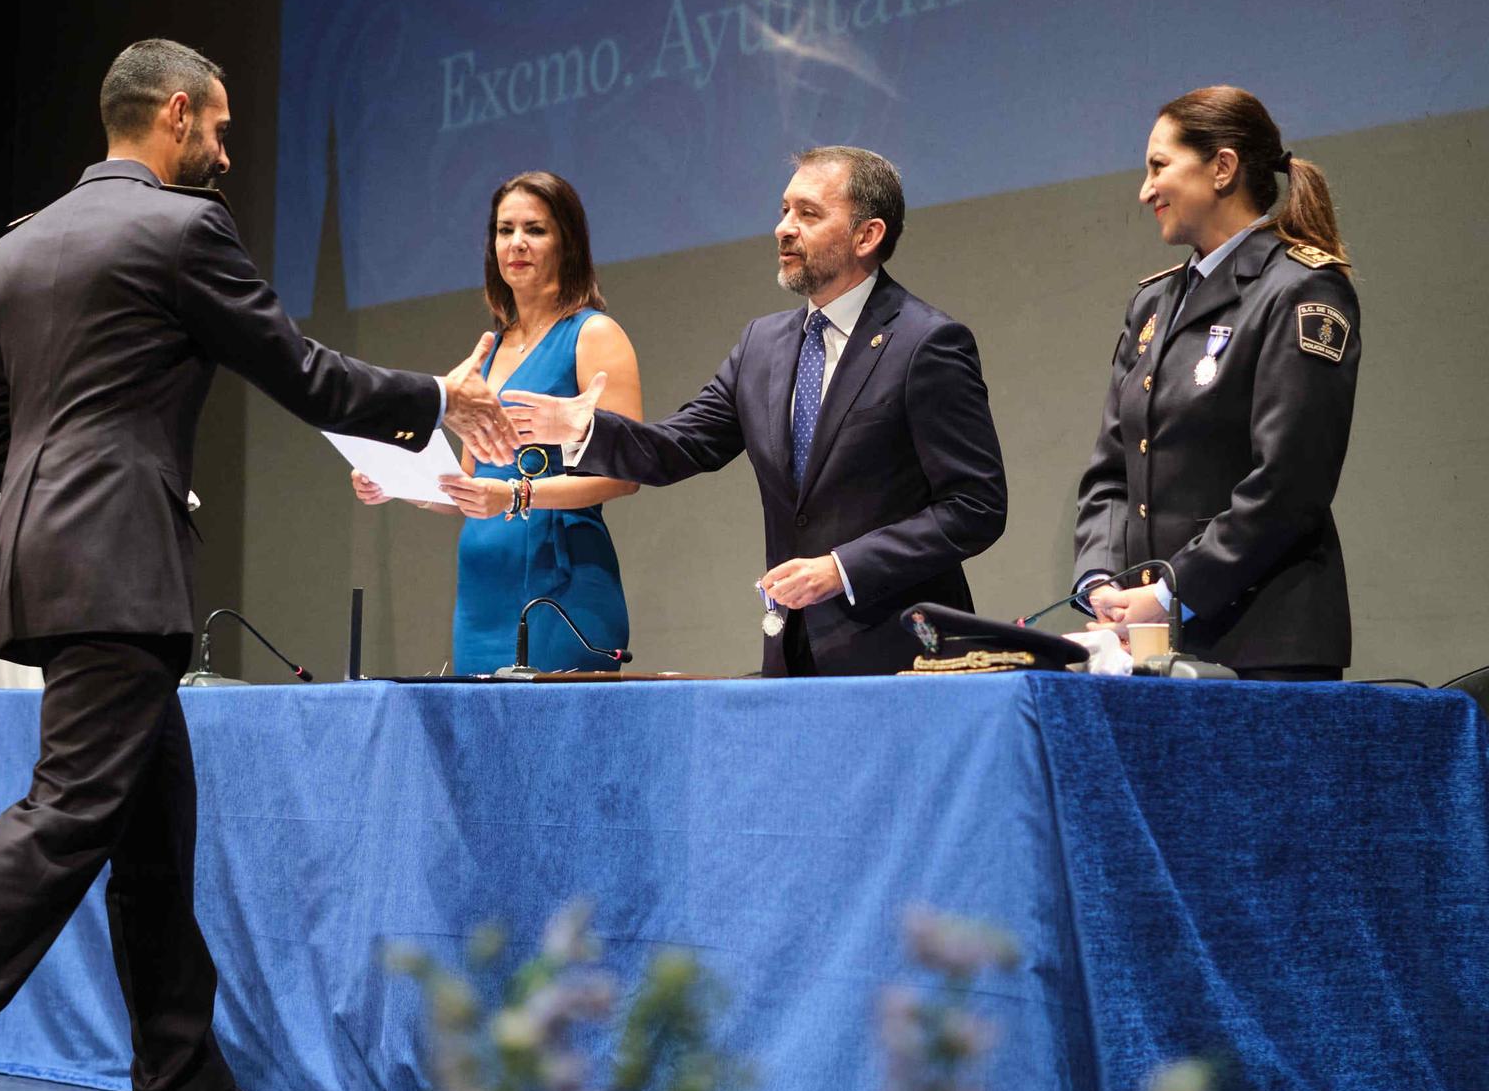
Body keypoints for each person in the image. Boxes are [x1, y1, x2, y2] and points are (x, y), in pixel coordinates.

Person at [0, 38, 518, 1091]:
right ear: (174, 115)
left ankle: (180, 1081)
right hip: (118, 560)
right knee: (73, 807)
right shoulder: (182, 230)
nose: (226, 150)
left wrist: (74, 474)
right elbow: (302, 371)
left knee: (150, 813)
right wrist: (438, 395)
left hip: (43, 554)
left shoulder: (15, 247)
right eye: (221, 128)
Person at [504, 147, 1006, 677]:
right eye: (785, 210)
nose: (783, 229)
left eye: (808, 214)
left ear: (867, 236)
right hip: (792, 655)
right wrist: (584, 429)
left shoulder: (925, 343)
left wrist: (842, 568)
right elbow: (680, 447)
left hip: (901, 655)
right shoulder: (762, 344)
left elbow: (975, 506)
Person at [1072, 86, 1359, 681]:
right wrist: (1100, 580)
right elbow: (1111, 471)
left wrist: (1172, 591)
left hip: (1264, 644)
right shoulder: (1152, 302)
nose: (1145, 190)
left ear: (1222, 168)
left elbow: (1289, 483)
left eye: (1159, 167)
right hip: (1152, 645)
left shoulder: (1299, 288)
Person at [350, 171, 642, 673]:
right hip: (484, 588)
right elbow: (474, 484)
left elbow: (626, 473)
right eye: (505, 231)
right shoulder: (491, 348)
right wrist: (399, 484)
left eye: (535, 229)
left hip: (560, 586)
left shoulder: (594, 334)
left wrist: (517, 495)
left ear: (567, 242)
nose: (517, 243)